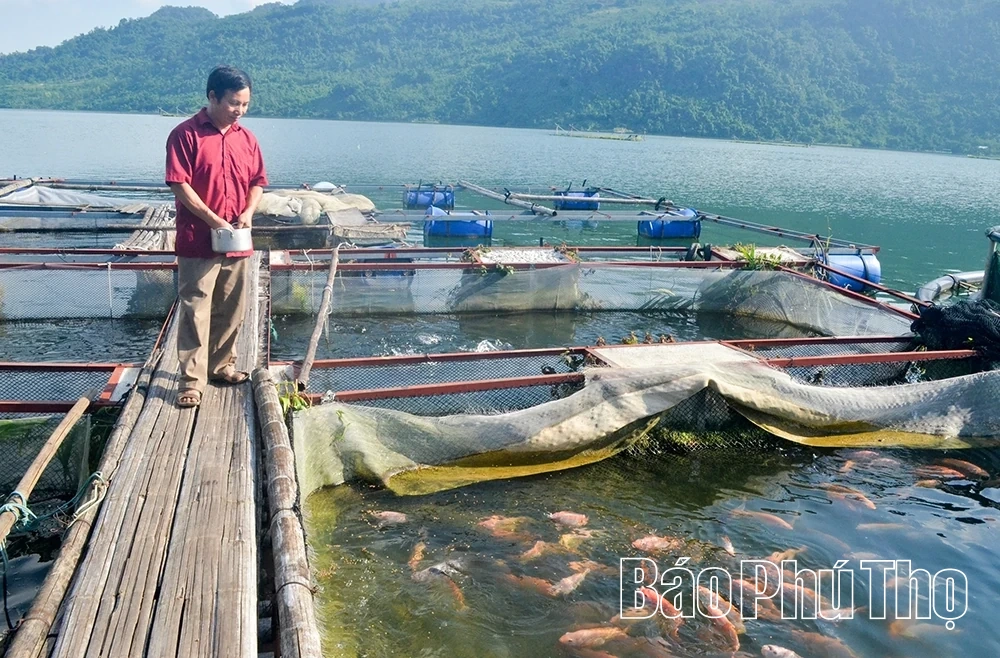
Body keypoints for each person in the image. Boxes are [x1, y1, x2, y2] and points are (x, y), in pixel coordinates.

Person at [165, 65, 268, 408]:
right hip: (197, 239)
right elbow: (179, 184)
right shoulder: (186, 135)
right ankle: (192, 381)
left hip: (237, 240)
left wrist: (248, 213)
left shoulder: (247, 139)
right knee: (196, 308)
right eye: (234, 103)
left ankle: (222, 366)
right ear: (212, 97)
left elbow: (258, 182)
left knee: (232, 306)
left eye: (245, 104)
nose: (239, 110)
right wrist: (213, 220)